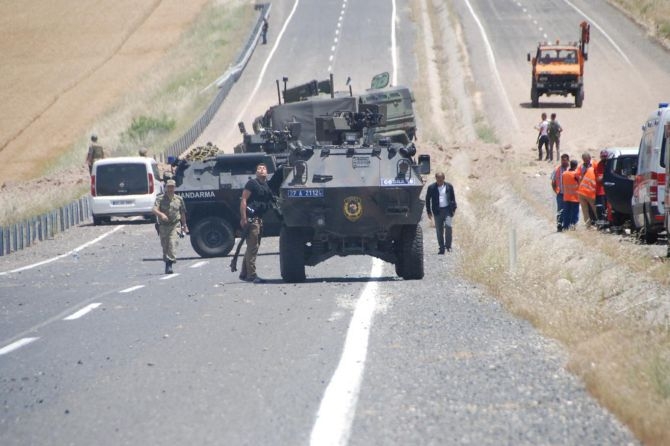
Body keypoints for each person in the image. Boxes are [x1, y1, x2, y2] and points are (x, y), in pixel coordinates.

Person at [239, 163, 275, 283]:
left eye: (264, 168)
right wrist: (243, 218)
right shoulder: (252, 183)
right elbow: (244, 199)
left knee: (252, 247)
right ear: (256, 172)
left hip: (259, 219)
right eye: (259, 168)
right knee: (253, 247)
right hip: (251, 219)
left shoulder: (266, 185)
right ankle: (252, 275)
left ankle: (244, 273)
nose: (262, 170)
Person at [152, 179, 188, 274]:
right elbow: (154, 210)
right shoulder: (160, 199)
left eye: (172, 187)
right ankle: (167, 262)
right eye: (169, 187)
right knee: (165, 246)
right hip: (163, 226)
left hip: (175, 225)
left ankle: (170, 264)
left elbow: (182, 213)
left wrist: (184, 225)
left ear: (175, 188)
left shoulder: (179, 199)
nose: (170, 189)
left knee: (172, 243)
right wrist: (161, 215)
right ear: (166, 188)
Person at [425, 171, 457, 254]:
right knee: (439, 230)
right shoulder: (431, 188)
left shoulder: (449, 186)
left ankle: (448, 246)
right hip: (437, 211)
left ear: (444, 178)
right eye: (438, 179)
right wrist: (429, 211)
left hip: (447, 210)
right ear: (435, 179)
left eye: (441, 179)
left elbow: (453, 198)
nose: (439, 180)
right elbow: (427, 200)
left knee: (448, 227)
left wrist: (454, 209)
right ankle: (441, 248)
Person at [575, 152, 597, 228]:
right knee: (588, 210)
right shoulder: (581, 167)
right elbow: (577, 175)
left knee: (592, 209)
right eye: (584, 160)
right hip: (587, 191)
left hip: (586, 191)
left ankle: (595, 223)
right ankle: (590, 225)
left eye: (587, 160)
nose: (586, 161)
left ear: (590, 158)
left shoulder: (595, 164)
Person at [551, 154, 570, 231]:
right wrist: (556, 191)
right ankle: (559, 225)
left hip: (570, 194)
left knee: (569, 210)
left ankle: (567, 226)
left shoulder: (571, 169)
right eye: (562, 160)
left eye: (565, 160)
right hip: (561, 194)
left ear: (568, 160)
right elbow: (553, 182)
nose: (563, 162)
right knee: (560, 210)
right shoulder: (557, 169)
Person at [561, 159, 580, 230]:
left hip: (566, 197)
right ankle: (573, 227)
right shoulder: (576, 174)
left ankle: (565, 226)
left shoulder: (564, 173)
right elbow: (580, 183)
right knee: (574, 213)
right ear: (576, 166)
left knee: (566, 213)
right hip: (575, 197)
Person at [594, 149, 609, 228]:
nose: (604, 158)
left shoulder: (610, 164)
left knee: (608, 209)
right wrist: (607, 177)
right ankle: (602, 226)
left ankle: (609, 224)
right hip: (600, 191)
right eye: (602, 156)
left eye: (605, 156)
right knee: (601, 209)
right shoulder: (599, 165)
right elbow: (599, 179)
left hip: (609, 190)